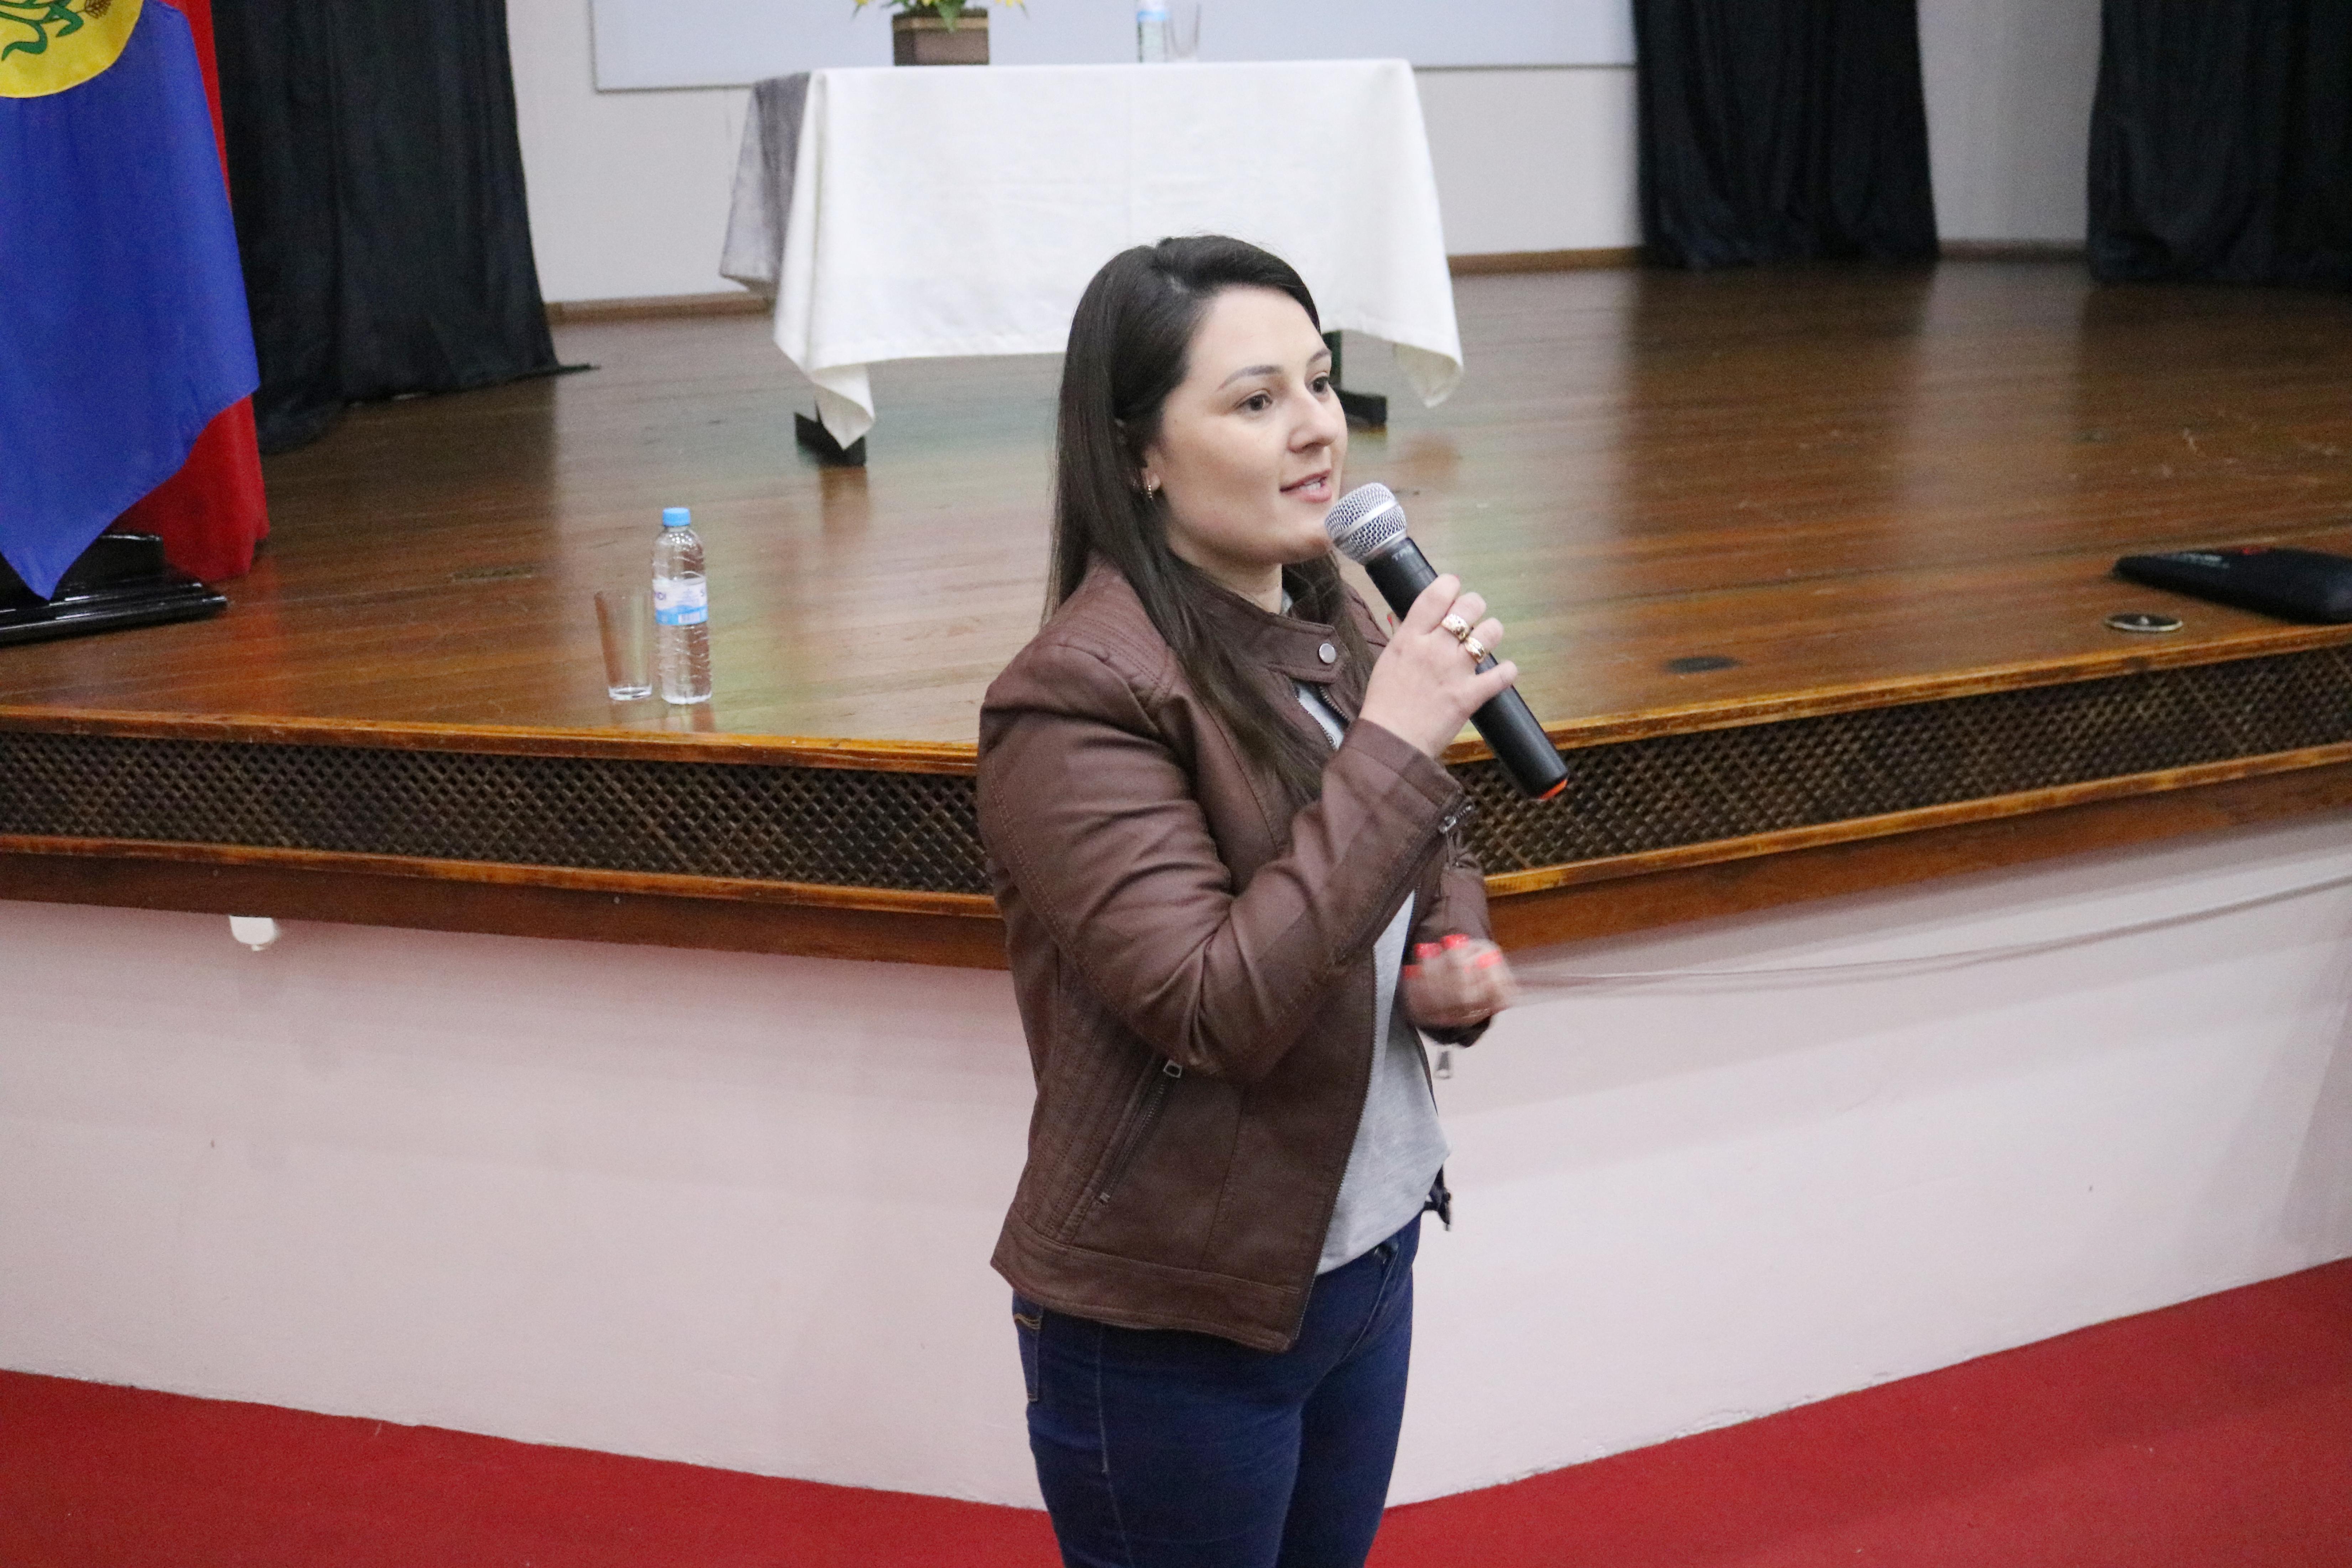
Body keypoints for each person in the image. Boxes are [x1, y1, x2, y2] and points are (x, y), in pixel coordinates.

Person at [976, 235, 1524, 1568]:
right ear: (1139, 457)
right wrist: (1395, 743)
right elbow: (1212, 1005)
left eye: (1321, 384)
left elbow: (1423, 841)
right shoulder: (1076, 697)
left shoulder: (1336, 614)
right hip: (1175, 1321)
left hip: (1362, 1262)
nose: (1316, 429)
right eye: (1256, 400)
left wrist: (1451, 943)